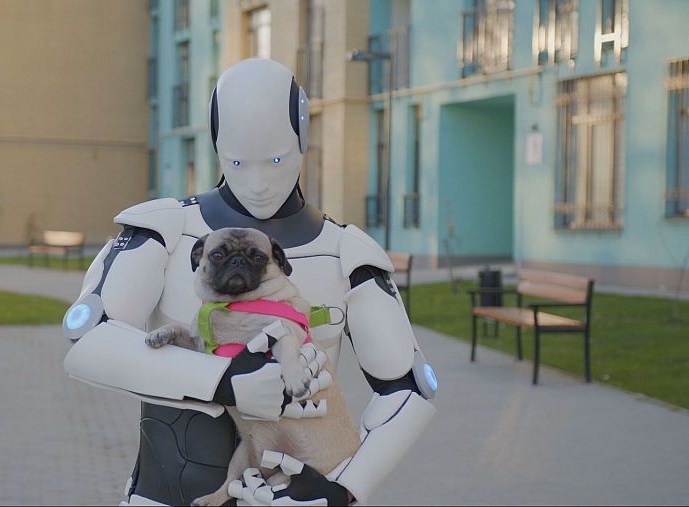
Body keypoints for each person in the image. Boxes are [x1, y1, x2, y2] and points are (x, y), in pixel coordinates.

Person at [62, 58, 436, 506]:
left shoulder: (347, 252)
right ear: (218, 145)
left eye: (276, 160)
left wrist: (346, 489)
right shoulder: (166, 228)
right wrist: (222, 380)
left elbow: (408, 387)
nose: (258, 183)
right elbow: (89, 338)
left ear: (302, 140)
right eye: (238, 161)